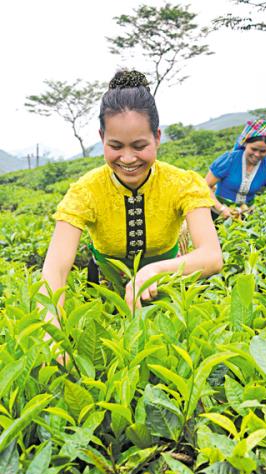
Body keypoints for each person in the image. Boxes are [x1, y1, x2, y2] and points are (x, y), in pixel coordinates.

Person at [41, 69, 222, 312]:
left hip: (164, 283)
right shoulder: (86, 191)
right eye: (115, 146)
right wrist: (51, 329)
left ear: (157, 138)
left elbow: (211, 256)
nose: (127, 158)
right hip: (107, 286)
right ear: (102, 138)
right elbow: (55, 269)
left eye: (139, 146)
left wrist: (155, 270)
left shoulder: (182, 183)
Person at [205, 119, 266, 220]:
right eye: (253, 149)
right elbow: (205, 186)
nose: (257, 155)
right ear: (245, 144)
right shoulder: (229, 160)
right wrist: (221, 209)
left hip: (246, 215)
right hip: (216, 213)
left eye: (263, 151)